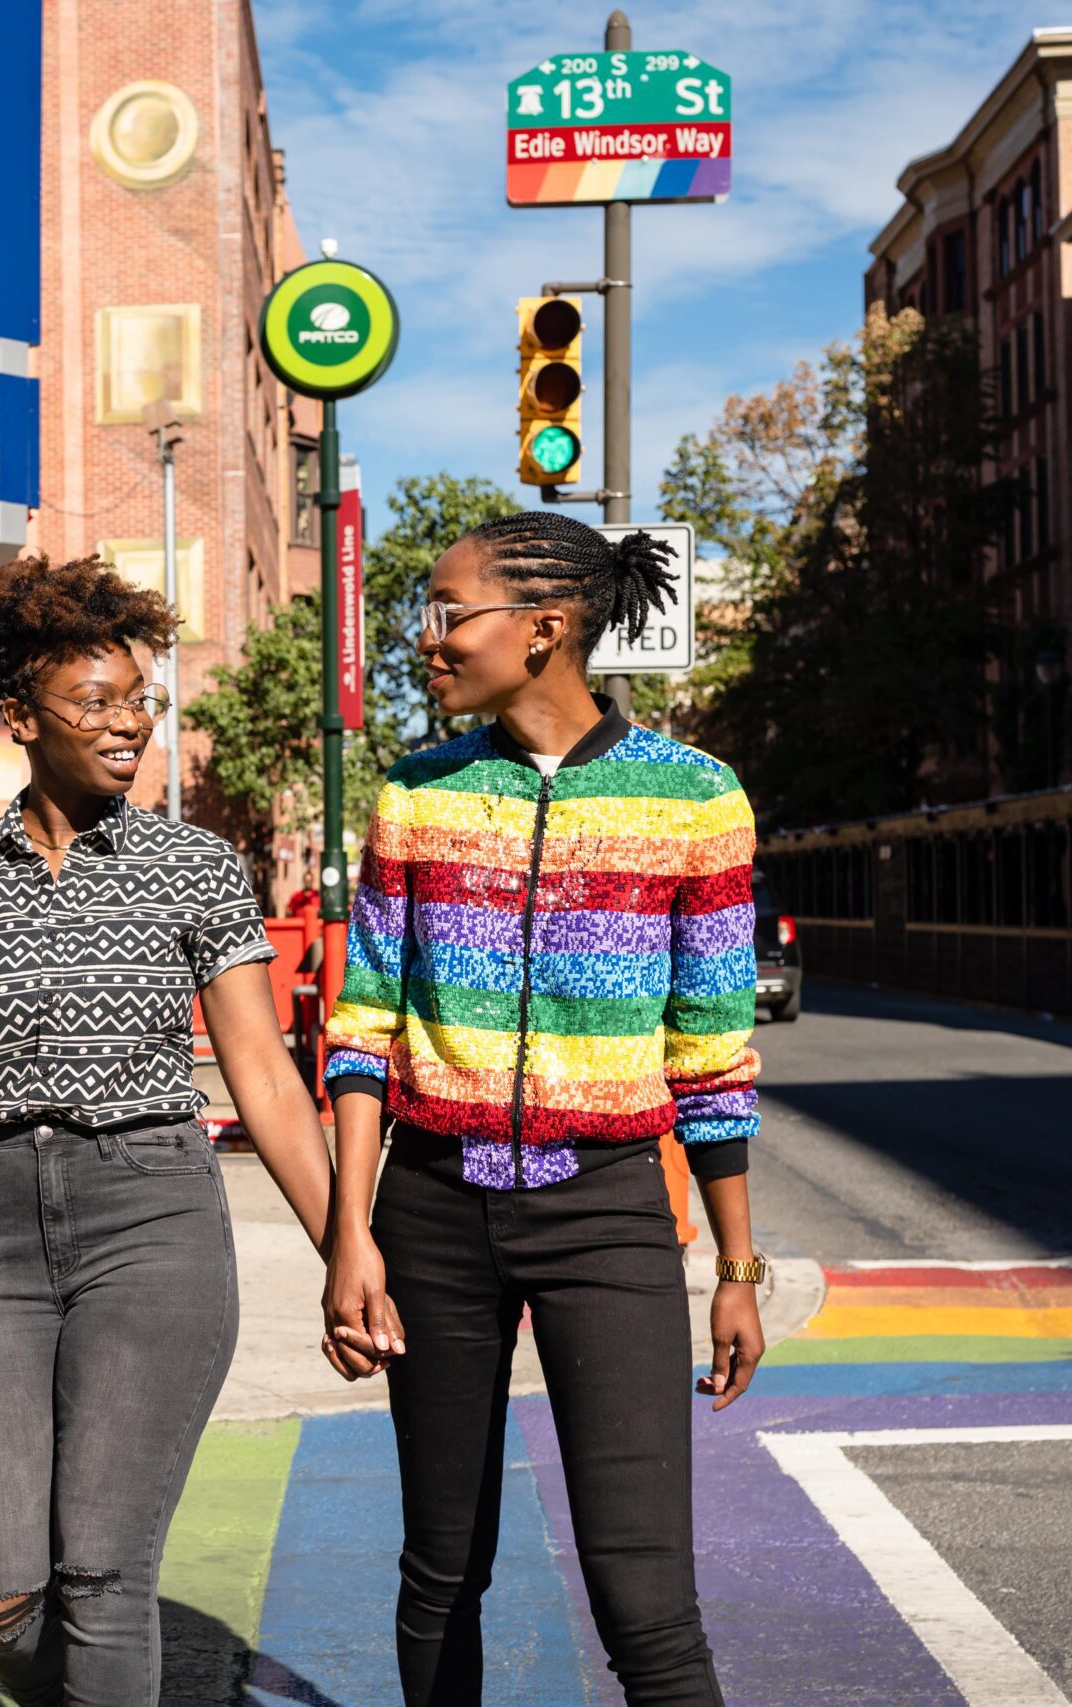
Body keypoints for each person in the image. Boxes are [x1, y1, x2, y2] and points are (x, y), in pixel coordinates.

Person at [0, 555, 347, 1706]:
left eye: (140, 700)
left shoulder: (194, 869)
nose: (129, 725)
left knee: (103, 1575)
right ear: (21, 717)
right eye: (99, 703)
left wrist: (349, 1252)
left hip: (152, 1220)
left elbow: (267, 1082)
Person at [320, 513, 764, 1707]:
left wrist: (735, 1265)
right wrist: (349, 1233)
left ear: (545, 629)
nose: (426, 638)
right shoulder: (414, 797)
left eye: (449, 612)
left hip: (609, 1214)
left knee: (643, 1596)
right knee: (442, 1569)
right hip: (427, 1214)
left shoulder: (693, 799)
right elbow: (360, 1028)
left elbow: (710, 1057)